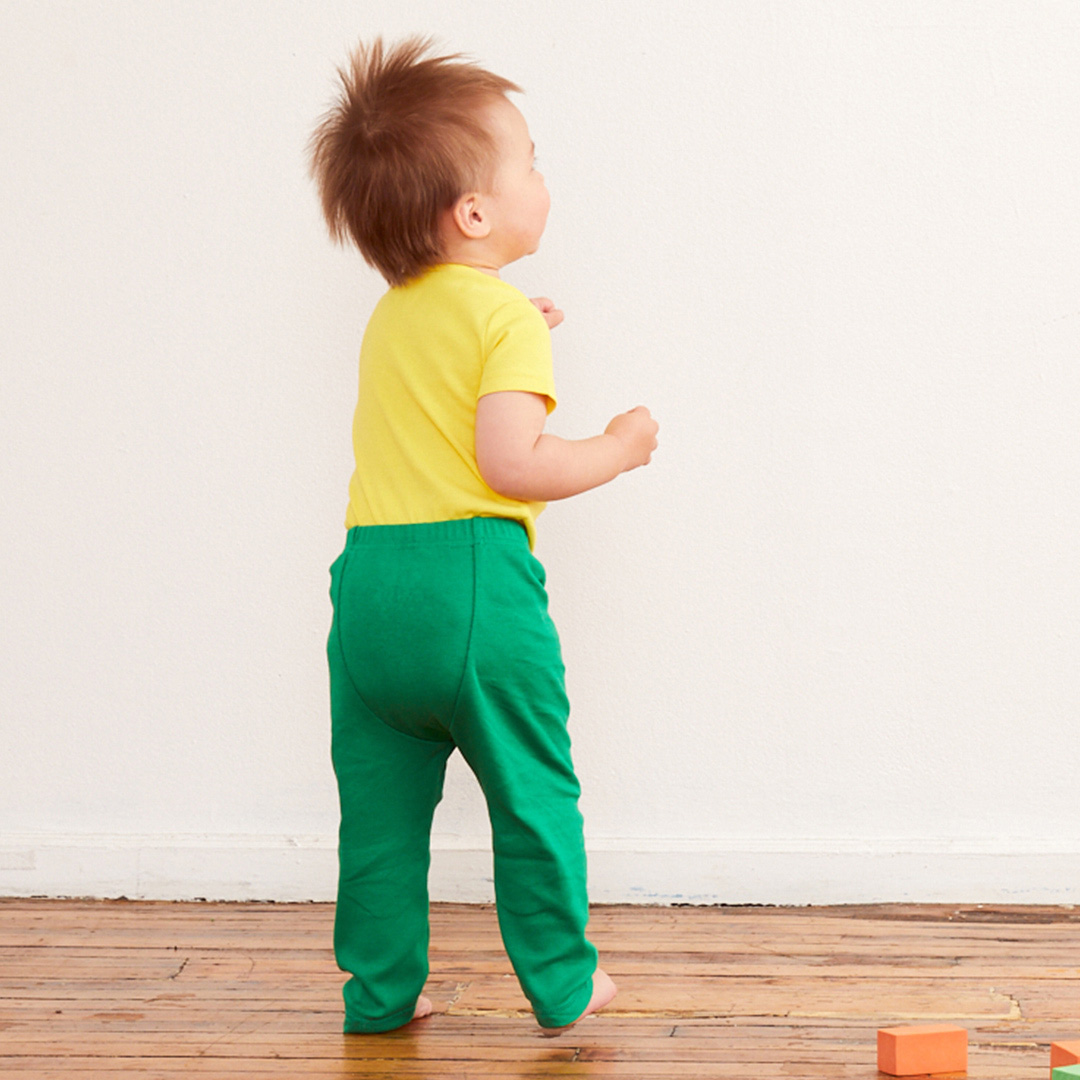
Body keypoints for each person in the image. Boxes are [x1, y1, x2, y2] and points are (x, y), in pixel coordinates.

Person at [308, 35, 658, 1035]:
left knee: (378, 821)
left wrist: (513, 320)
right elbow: (514, 463)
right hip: (473, 583)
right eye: (530, 161)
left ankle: (377, 996)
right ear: (474, 212)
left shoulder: (395, 314)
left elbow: (439, 388)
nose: (543, 177)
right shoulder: (505, 322)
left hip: (369, 590)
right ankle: (562, 977)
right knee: (533, 791)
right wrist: (617, 446)